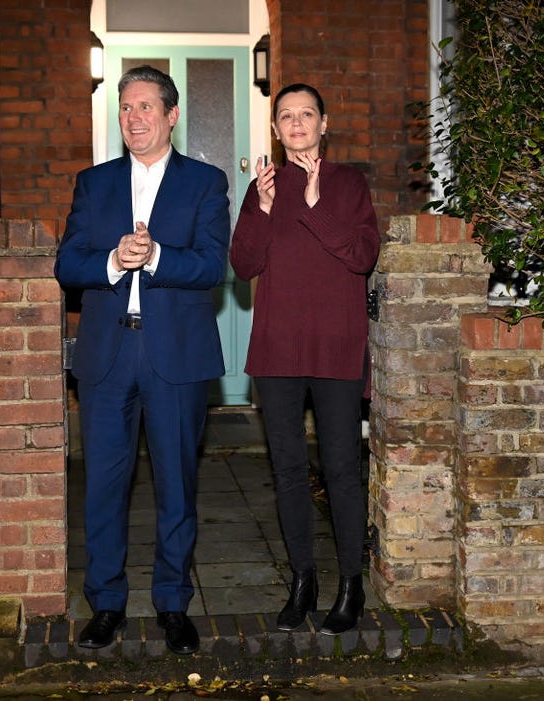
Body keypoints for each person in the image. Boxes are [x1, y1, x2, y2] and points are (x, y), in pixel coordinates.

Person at [54, 65, 230, 655]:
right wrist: (111, 259)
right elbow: (67, 264)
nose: (134, 118)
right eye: (126, 108)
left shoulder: (205, 183)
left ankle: (173, 603)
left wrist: (154, 256)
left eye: (145, 107)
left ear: (171, 115)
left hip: (175, 357)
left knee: (176, 484)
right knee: (103, 485)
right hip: (107, 355)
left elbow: (211, 266)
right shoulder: (94, 183)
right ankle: (105, 604)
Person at [229, 83, 380, 635]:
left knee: (341, 469)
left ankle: (350, 583)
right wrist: (266, 209)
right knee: (288, 471)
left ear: (324, 123)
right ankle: (302, 581)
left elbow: (363, 256)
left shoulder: (348, 184)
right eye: (285, 116)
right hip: (277, 350)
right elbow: (243, 265)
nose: (296, 123)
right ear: (275, 128)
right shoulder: (263, 188)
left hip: (336, 348)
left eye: (306, 114)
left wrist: (317, 209)